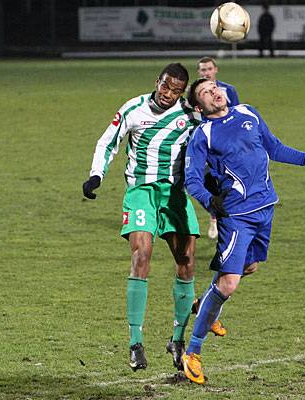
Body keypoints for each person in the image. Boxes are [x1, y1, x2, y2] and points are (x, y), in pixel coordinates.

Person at [181, 78, 305, 384]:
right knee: (229, 285)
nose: (215, 92)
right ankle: (192, 352)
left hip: (266, 208)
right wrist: (210, 202)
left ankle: (208, 307)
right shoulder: (202, 134)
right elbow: (191, 178)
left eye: (215, 87)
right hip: (237, 216)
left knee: (250, 266)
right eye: (206, 92)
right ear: (198, 106)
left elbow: (275, 148)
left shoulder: (248, 112)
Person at [82, 63, 223, 372]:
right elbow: (108, 141)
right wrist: (96, 176)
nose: (167, 94)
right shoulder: (133, 108)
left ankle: (177, 339)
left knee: (186, 261)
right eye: (165, 86)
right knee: (141, 255)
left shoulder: (189, 115)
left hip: (174, 193)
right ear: (157, 81)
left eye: (175, 91)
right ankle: (135, 342)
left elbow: (214, 137)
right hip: (141, 191)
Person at [197, 56, 240, 241]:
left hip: (228, 145)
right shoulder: (196, 93)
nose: (206, 72)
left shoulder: (229, 90)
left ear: (216, 70)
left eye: (209, 69)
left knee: (229, 182)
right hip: (207, 144)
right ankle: (214, 215)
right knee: (208, 181)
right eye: (202, 70)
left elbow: (238, 114)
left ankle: (229, 218)